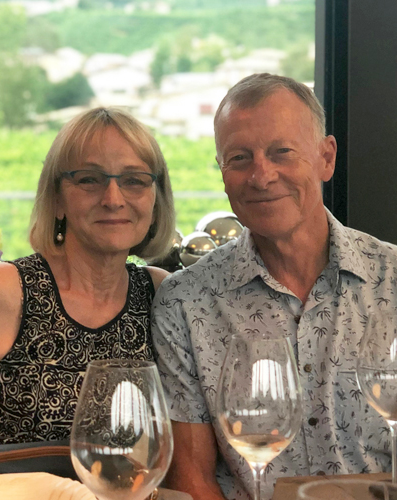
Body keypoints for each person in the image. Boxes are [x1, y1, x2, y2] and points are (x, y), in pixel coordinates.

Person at [0, 107, 176, 487]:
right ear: (57, 198)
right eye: (89, 180)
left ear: (156, 199)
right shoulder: (5, 290)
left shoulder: (161, 294)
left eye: (134, 180)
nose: (113, 198)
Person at [152, 73, 397, 500]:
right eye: (239, 158)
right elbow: (191, 480)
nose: (261, 176)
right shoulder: (185, 302)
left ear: (326, 157)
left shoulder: (392, 279)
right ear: (222, 172)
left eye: (281, 152)